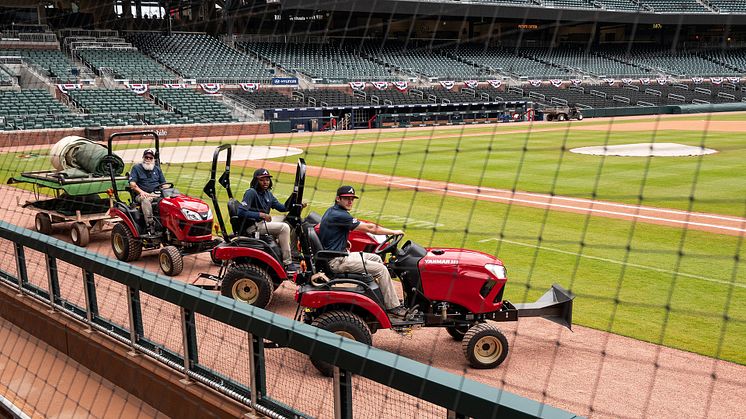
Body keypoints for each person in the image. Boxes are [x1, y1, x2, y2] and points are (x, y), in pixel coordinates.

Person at [318, 185, 409, 318]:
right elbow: (370, 228)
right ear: (338, 199)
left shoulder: (332, 211)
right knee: (382, 270)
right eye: (346, 198)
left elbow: (330, 231)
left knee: (377, 259)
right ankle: (393, 307)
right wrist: (393, 232)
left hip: (338, 255)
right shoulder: (340, 215)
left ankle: (382, 297)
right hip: (338, 261)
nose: (350, 201)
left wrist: (343, 242)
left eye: (352, 199)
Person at [238, 168, 302, 273]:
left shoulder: (268, 194)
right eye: (262, 180)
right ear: (256, 181)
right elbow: (241, 212)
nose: (265, 182)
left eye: (267, 179)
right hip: (253, 227)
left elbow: (283, 208)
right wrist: (261, 215)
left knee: (288, 221)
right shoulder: (251, 193)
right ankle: (288, 262)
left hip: (263, 224)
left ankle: (292, 252)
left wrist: (294, 196)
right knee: (284, 227)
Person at [129, 148, 166, 235]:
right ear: (143, 157)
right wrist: (141, 192)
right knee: (146, 200)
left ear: (153, 159)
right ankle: (150, 225)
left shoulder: (157, 169)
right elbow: (132, 184)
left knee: (170, 200)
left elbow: (164, 184)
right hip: (141, 195)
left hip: (156, 194)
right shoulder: (136, 168)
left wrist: (169, 192)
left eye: (150, 158)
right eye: (146, 157)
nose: (148, 159)